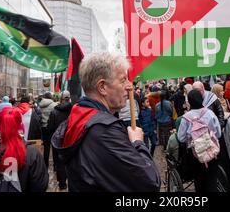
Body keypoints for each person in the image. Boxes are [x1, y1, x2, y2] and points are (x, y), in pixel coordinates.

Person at [51, 52, 160, 192]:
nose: (129, 86)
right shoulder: (104, 131)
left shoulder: (79, 116)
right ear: (102, 87)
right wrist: (137, 143)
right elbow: (150, 183)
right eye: (123, 80)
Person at [177, 89, 221, 192]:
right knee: (212, 180)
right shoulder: (210, 113)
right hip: (212, 151)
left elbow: (181, 138)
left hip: (195, 154)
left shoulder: (186, 118)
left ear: (189, 101)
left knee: (199, 181)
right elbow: (218, 133)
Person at [47, 91, 73, 190]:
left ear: (61, 99)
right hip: (71, 139)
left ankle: (62, 184)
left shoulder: (54, 111)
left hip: (58, 141)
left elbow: (50, 127)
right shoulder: (74, 110)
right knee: (71, 160)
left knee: (59, 161)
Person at [39, 91, 58, 168]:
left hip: (43, 127)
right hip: (52, 128)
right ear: (50, 97)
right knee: (54, 146)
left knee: (46, 147)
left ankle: (45, 164)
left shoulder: (40, 105)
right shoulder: (54, 105)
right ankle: (55, 165)